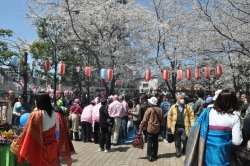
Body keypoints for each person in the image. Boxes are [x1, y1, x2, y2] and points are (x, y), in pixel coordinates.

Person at [184, 90, 243, 165]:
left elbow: (195, 127)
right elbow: (237, 141)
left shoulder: (208, 112)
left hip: (207, 152)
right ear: (233, 102)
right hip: (224, 154)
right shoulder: (235, 118)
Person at [18, 93, 59, 166]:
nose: (34, 102)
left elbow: (29, 132)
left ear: (40, 101)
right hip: (52, 148)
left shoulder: (35, 114)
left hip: (39, 148)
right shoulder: (53, 113)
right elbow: (56, 129)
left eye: (35, 100)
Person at [168, 93, 195, 158]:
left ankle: (184, 148)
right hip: (176, 127)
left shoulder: (187, 107)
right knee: (177, 141)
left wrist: (192, 125)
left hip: (185, 127)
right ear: (177, 99)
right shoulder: (173, 107)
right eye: (181, 98)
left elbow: (191, 116)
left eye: (183, 98)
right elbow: (169, 117)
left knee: (184, 139)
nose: (182, 100)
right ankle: (178, 152)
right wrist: (169, 125)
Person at [139, 97, 163, 161]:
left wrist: (141, 126)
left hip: (150, 128)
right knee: (155, 141)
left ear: (151, 103)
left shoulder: (149, 110)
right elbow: (163, 120)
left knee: (149, 141)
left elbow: (144, 120)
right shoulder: (160, 110)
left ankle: (149, 155)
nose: (149, 103)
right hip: (157, 128)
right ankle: (155, 154)